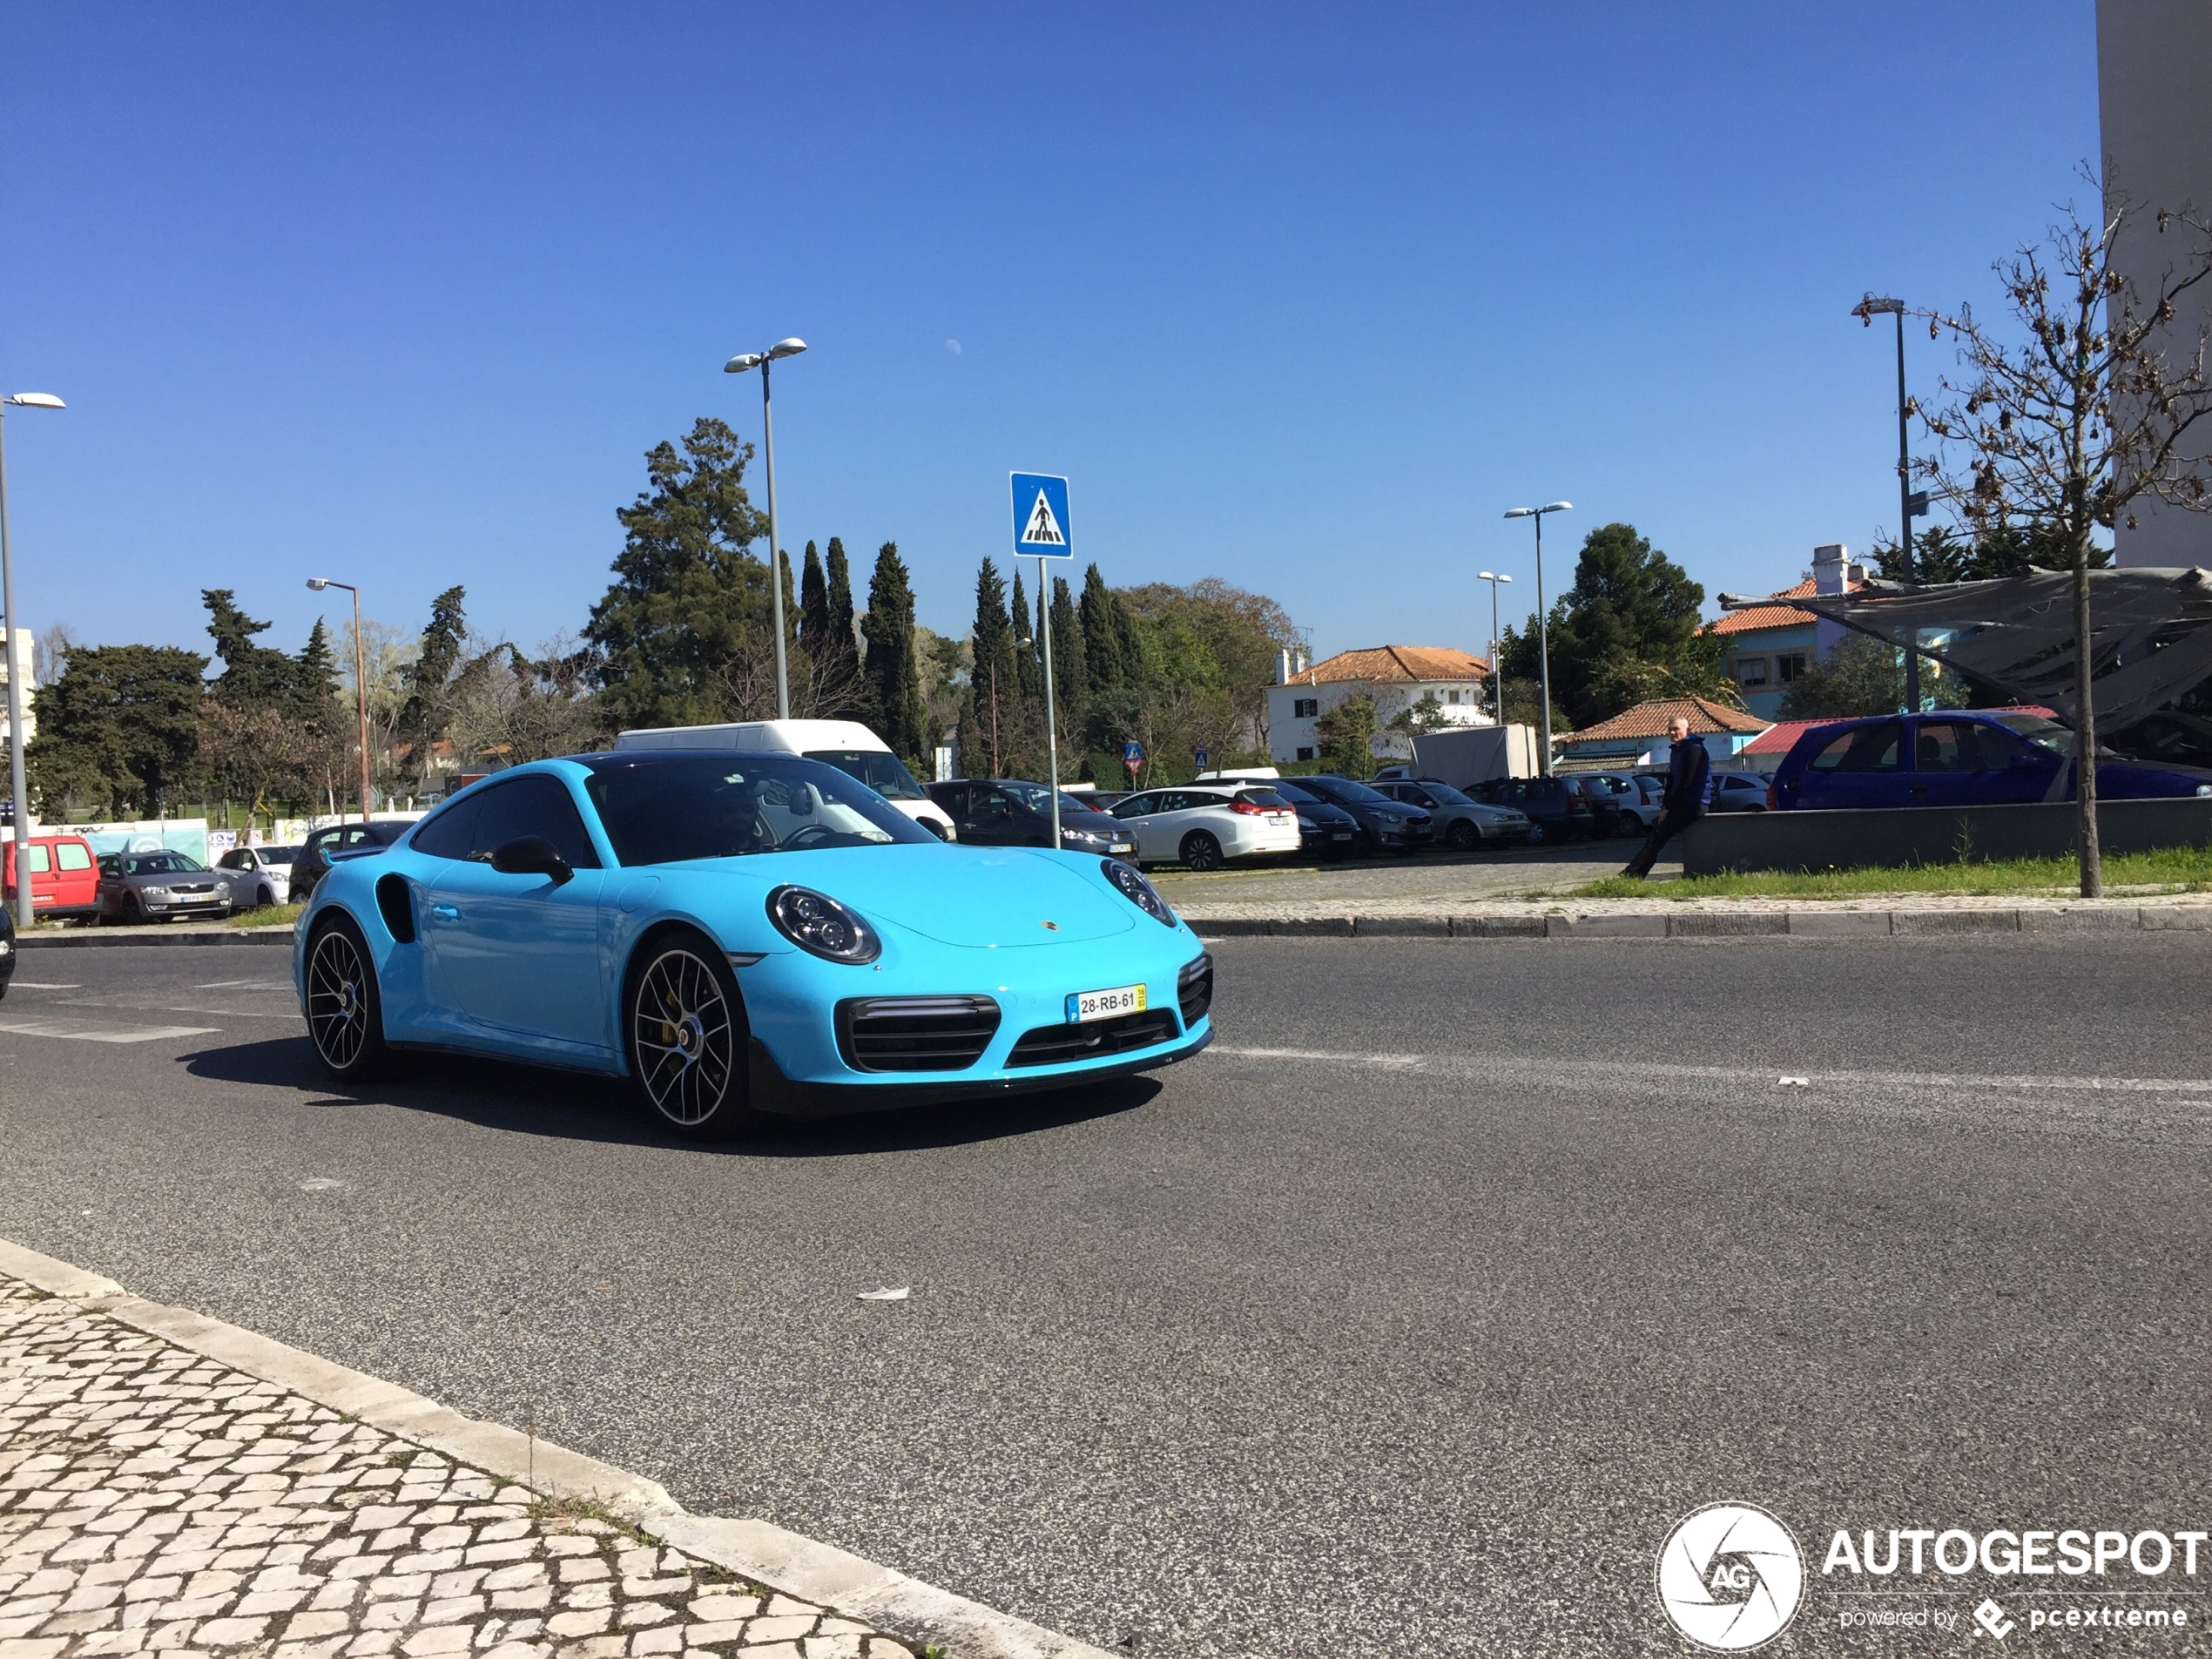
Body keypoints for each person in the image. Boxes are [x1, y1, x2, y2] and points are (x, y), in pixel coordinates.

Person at [1622, 714, 1712, 879]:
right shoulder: (1678, 750)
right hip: (1682, 804)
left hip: (1694, 804)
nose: (1672, 732)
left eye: (1676, 729)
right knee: (1656, 837)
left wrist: (1669, 808)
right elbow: (1672, 781)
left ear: (1688, 730)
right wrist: (1666, 806)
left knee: (1657, 836)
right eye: (1669, 729)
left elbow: (1687, 783)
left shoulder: (1694, 750)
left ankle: (1632, 874)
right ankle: (1635, 873)